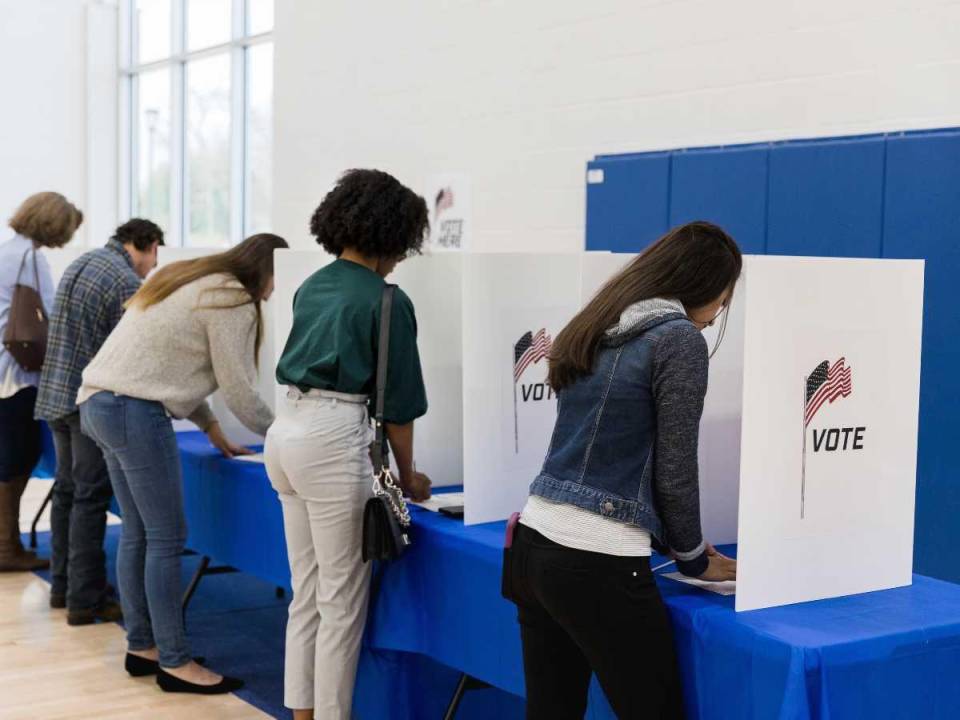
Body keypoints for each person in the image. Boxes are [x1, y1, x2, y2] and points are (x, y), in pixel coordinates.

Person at [503, 221, 742, 720]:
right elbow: (675, 467)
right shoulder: (678, 340)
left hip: (532, 544)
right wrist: (694, 558)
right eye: (724, 297)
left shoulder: (597, 323)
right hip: (597, 562)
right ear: (701, 283)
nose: (720, 313)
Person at [77, 232, 288, 694]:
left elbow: (168, 363)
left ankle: (144, 646)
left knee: (139, 533)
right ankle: (175, 661)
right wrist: (288, 436)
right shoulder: (232, 297)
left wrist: (212, 429)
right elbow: (238, 389)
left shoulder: (193, 278)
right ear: (267, 270)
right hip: (134, 411)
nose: (276, 292)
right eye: (279, 279)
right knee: (167, 538)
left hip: (100, 403)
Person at [266, 169, 433, 720]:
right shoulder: (388, 301)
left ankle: (303, 714)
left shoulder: (312, 284)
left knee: (307, 593)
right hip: (333, 438)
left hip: (285, 431)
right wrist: (409, 478)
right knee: (341, 602)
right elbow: (400, 408)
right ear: (395, 233)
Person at [35, 218, 164, 624]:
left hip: (55, 393)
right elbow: (129, 354)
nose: (155, 265)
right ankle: (84, 601)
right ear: (141, 245)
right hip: (86, 401)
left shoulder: (83, 261)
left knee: (68, 492)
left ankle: (62, 587)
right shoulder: (125, 282)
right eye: (156, 253)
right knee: (90, 498)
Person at [0, 192, 83, 572]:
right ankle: (6, 547)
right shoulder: (32, 259)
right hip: (18, 376)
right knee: (15, 460)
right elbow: (53, 316)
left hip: (4, 371)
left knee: (9, 458)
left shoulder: (5, 251)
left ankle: (8, 542)